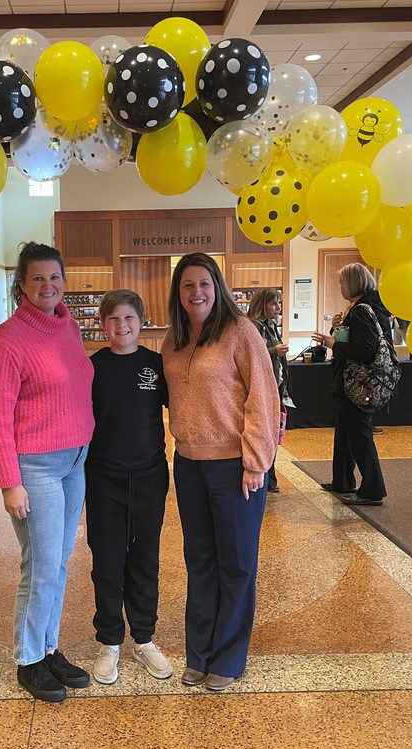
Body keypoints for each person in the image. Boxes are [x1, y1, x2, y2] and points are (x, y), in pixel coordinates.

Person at [0, 241, 94, 703]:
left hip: (74, 462)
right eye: (38, 278)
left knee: (59, 563)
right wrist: (10, 481)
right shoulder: (9, 340)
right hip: (35, 468)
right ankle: (28, 658)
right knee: (42, 565)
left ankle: (48, 646)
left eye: (55, 277)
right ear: (21, 285)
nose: (49, 286)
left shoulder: (67, 327)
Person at [162, 252, 279, 692]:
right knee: (200, 562)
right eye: (188, 285)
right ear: (178, 291)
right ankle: (200, 653)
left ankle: (229, 657)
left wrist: (255, 462)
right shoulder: (171, 342)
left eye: (205, 284)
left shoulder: (240, 333)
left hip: (235, 468)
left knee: (236, 564)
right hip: (189, 465)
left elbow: (263, 398)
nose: (197, 293)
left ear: (218, 287)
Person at [86, 289, 172, 685]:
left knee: (144, 558)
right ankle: (109, 642)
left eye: (129, 319)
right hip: (104, 477)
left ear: (142, 322)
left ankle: (144, 637)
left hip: (150, 475)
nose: (122, 326)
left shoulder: (156, 365)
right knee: (107, 561)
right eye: (113, 319)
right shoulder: (92, 368)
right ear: (103, 324)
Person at [311, 262, 391, 507]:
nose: (340, 287)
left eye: (342, 282)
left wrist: (332, 343)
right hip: (357, 382)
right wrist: (337, 329)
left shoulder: (362, 311)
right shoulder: (367, 307)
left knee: (359, 433)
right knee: (345, 431)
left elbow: (364, 350)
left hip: (358, 383)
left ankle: (372, 489)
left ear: (354, 283)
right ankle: (343, 480)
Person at [247, 287, 290, 492]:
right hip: (262, 387)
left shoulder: (271, 326)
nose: (278, 307)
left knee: (274, 432)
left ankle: (270, 476)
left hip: (276, 385)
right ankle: (266, 476)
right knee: (265, 432)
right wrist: (275, 351)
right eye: (274, 303)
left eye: (279, 303)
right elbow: (252, 354)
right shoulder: (255, 326)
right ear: (262, 305)